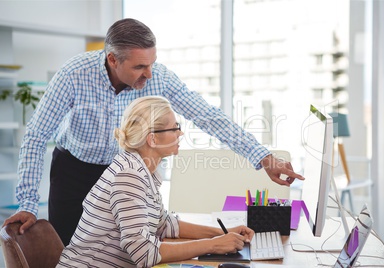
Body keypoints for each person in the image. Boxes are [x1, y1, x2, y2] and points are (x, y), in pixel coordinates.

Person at [2, 18, 303, 246]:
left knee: (125, 250)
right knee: (71, 250)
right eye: (139, 67)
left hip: (123, 174)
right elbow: (37, 136)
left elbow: (208, 116)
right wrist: (28, 204)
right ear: (112, 59)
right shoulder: (73, 75)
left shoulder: (158, 77)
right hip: (74, 171)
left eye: (152, 63)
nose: (149, 73)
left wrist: (262, 157)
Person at [57, 96, 254, 267]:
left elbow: (163, 224)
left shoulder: (143, 170)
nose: (180, 133)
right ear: (152, 139)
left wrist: (221, 233)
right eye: (175, 128)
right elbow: (144, 254)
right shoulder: (129, 175)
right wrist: (214, 245)